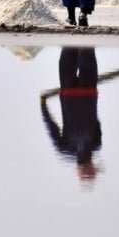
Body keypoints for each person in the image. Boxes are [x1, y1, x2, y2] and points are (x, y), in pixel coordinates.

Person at [40, 47, 102, 182]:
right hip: (82, 92)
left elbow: (52, 127)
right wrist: (43, 106)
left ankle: (74, 26)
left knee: (70, 48)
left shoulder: (67, 148)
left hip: (75, 93)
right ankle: (81, 27)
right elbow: (96, 122)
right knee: (85, 48)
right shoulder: (94, 144)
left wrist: (43, 107)